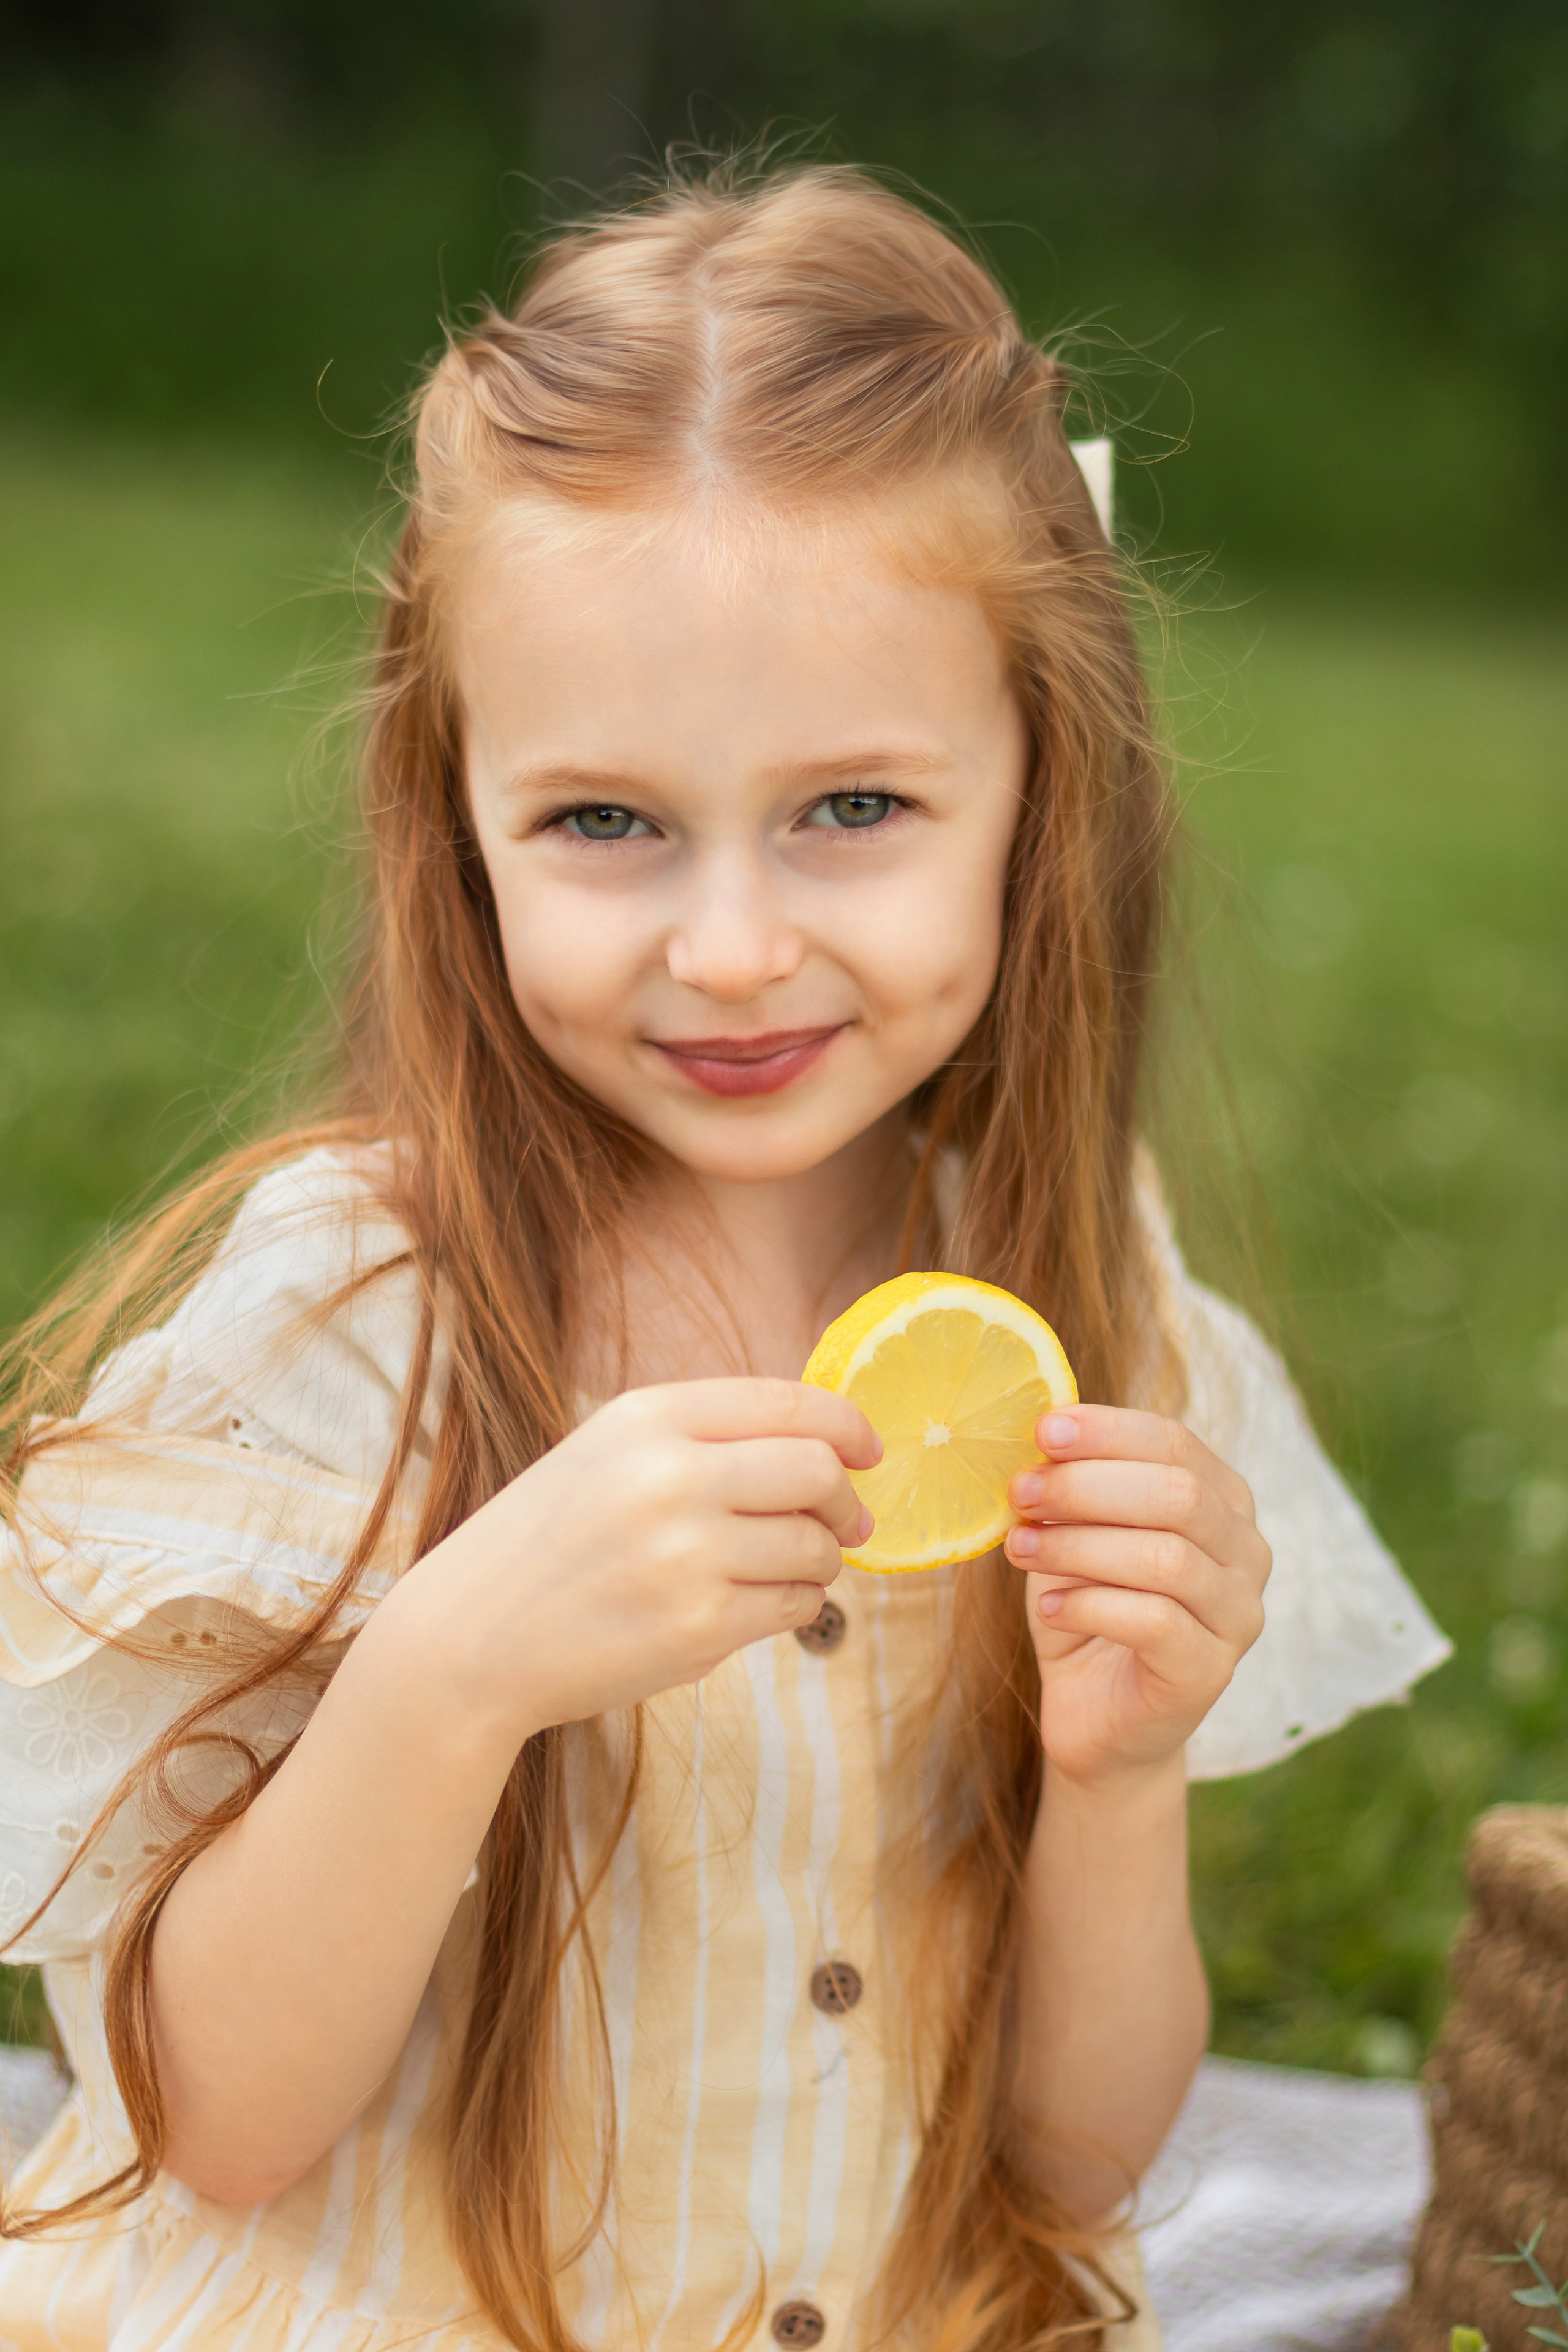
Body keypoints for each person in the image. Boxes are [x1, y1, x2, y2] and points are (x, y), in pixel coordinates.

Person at [0, 164, 1447, 2352]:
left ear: (1037, 798)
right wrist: (448, 1670)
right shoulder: (353, 1309)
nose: (736, 946)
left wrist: (1120, 1771)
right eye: (605, 823)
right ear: (455, 824)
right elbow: (217, 2123)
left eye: (855, 809)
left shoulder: (1080, 1306)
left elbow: (1071, 2162)